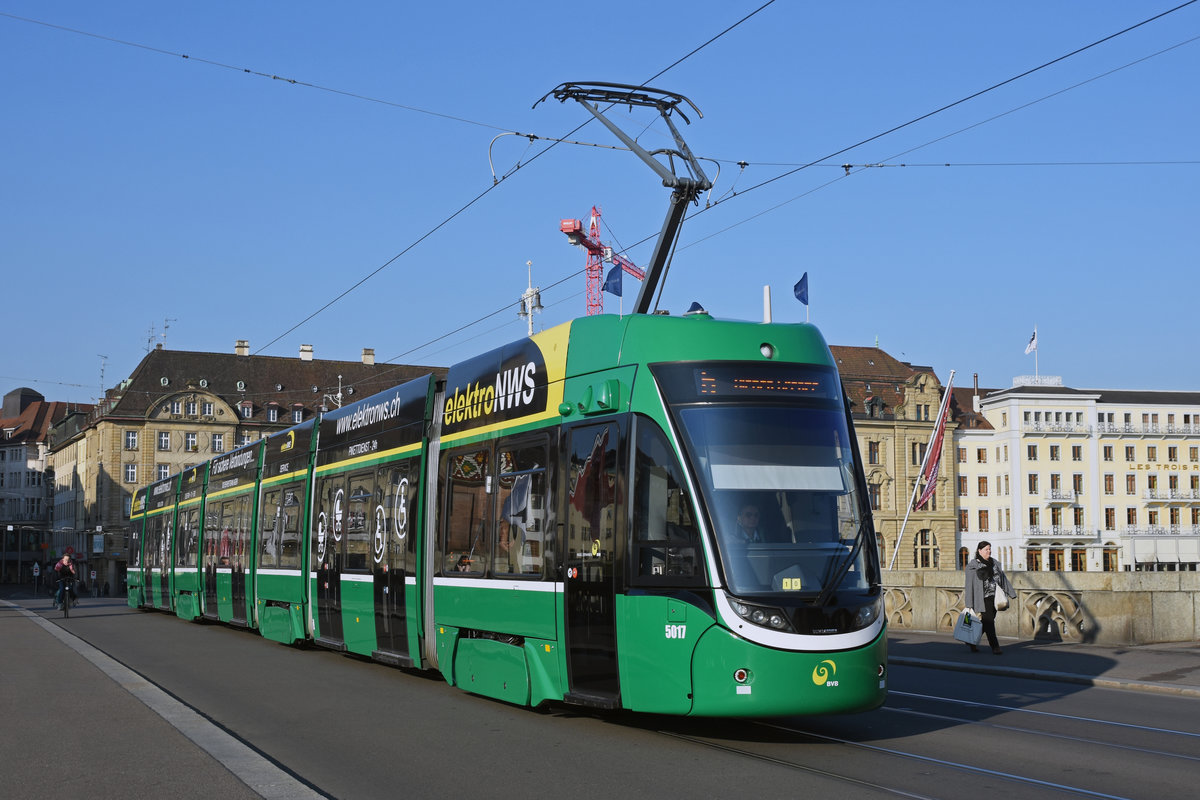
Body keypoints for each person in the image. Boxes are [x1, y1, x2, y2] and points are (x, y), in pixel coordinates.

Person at [963, 541, 1015, 655]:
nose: (989, 551)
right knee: (989, 622)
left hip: (995, 597)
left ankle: (972, 641)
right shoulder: (973, 566)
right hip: (982, 598)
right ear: (979, 551)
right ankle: (995, 646)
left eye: (989, 549)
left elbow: (1003, 579)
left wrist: (1011, 592)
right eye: (986, 549)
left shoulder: (995, 563)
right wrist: (969, 602)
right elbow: (969, 585)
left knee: (986, 623)